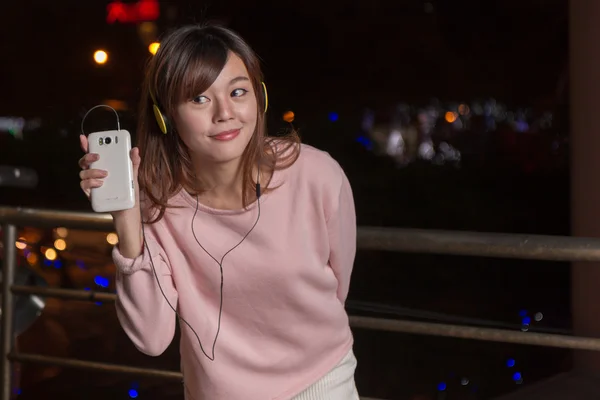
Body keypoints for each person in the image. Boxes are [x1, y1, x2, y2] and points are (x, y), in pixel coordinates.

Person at [78, 23, 358, 400]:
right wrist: (126, 214)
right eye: (199, 99)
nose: (225, 113)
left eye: (238, 92)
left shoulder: (317, 175)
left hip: (321, 380)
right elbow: (150, 337)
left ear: (259, 97)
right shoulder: (157, 201)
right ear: (166, 117)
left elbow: (337, 288)